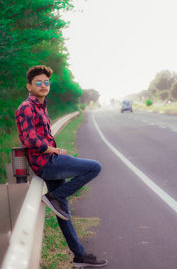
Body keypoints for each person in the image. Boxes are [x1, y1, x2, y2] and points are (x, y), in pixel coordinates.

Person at [15, 65, 108, 268]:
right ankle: (54, 197)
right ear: (29, 86)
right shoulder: (26, 108)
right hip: (46, 163)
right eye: (38, 82)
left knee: (63, 212)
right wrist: (53, 150)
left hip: (49, 161)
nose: (43, 85)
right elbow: (29, 140)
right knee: (95, 167)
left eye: (46, 82)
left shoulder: (41, 105)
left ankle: (79, 256)